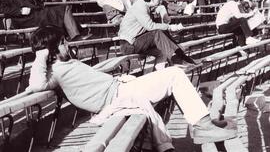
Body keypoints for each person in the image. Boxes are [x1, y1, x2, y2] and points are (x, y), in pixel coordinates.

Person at [3, 25, 237, 152]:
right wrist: (40, 56)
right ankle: (203, 125)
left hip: (123, 87)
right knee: (175, 74)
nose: (68, 44)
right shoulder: (53, 72)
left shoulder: (65, 63)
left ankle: (203, 123)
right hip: (118, 96)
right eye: (63, 42)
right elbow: (35, 85)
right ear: (52, 48)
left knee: (174, 75)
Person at [118, 0, 199, 70]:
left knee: (162, 51)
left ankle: (164, 69)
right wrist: (170, 27)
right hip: (128, 46)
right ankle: (180, 58)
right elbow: (150, 26)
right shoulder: (140, 7)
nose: (161, 1)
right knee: (157, 33)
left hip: (136, 42)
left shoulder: (144, 5)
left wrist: (163, 13)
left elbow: (160, 9)